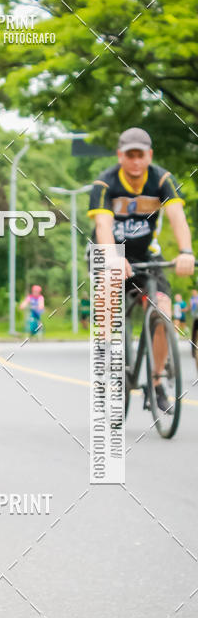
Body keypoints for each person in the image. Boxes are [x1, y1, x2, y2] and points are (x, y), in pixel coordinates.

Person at [88, 127, 194, 411]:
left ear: (150, 155)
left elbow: (177, 218)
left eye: (141, 155)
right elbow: (102, 226)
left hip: (147, 255)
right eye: (129, 155)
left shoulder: (162, 179)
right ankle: (109, 359)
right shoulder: (105, 183)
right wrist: (112, 256)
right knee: (108, 287)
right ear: (120, 155)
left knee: (163, 311)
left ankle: (156, 381)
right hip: (110, 250)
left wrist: (186, 252)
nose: (135, 161)